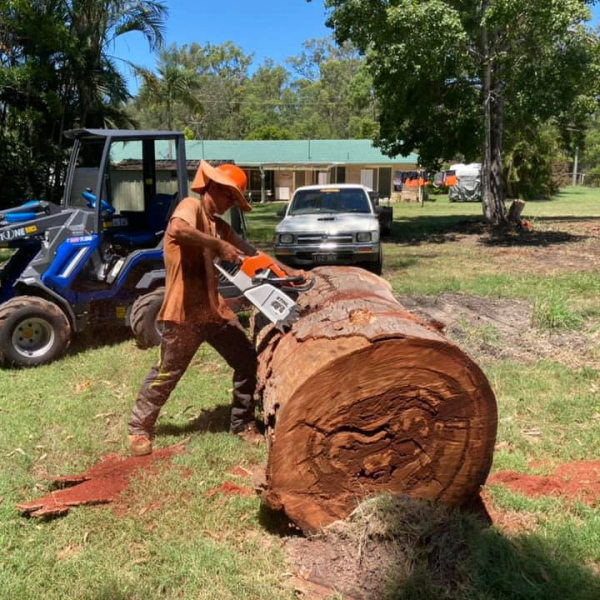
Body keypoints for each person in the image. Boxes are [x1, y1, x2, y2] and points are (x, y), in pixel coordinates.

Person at [128, 160, 297, 456]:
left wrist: (292, 274)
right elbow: (178, 229)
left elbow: (252, 253)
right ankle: (139, 427)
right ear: (214, 187)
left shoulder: (221, 226)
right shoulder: (190, 207)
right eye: (229, 196)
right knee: (168, 372)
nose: (230, 203)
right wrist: (218, 247)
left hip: (212, 310)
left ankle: (242, 423)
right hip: (183, 313)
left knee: (246, 360)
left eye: (234, 199)